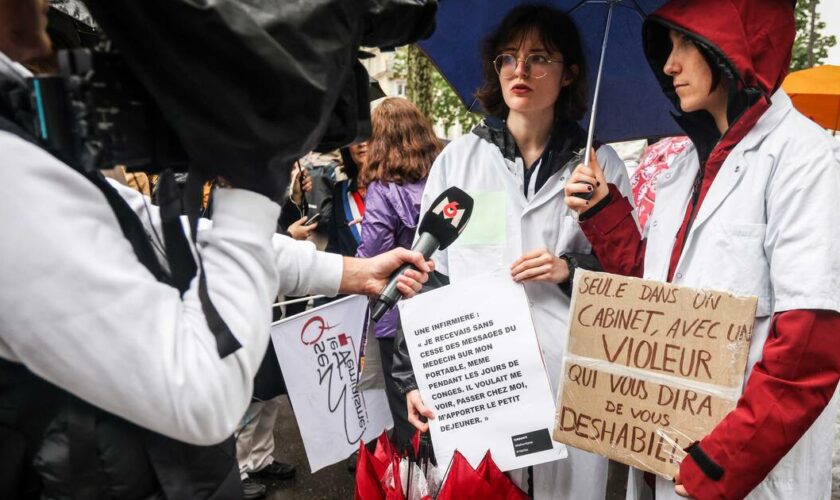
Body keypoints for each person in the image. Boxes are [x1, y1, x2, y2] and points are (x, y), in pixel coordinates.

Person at [0, 1, 432, 497]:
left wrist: (353, 272)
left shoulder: (22, 129)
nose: (39, 14)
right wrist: (250, 177)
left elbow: (168, 236)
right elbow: (201, 397)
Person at [564, 1, 840, 498]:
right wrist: (604, 212)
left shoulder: (804, 159)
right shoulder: (684, 169)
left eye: (686, 43)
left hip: (741, 472)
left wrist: (721, 462)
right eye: (667, 47)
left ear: (733, 46)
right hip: (665, 454)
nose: (669, 65)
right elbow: (657, 300)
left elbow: (809, 345)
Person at [396, 5, 633, 499]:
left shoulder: (598, 163)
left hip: (570, 377)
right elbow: (428, 275)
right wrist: (412, 377)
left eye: (539, 57)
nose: (520, 70)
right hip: (482, 378)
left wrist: (568, 270)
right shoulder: (459, 161)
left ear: (568, 73)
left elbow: (626, 281)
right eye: (508, 57)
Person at [355, 97, 442, 448]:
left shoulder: (382, 189)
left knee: (410, 421)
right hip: (447, 309)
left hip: (398, 320)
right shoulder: (443, 179)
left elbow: (372, 257)